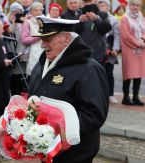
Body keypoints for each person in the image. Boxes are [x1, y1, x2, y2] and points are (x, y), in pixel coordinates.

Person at [29, 16, 108, 163]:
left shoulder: (89, 69)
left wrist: (63, 129)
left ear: (66, 38)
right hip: (46, 149)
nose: (43, 45)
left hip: (75, 153)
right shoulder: (41, 64)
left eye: (48, 39)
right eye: (42, 39)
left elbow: (94, 114)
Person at [119, 0, 145, 106]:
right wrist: (138, 44)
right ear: (129, 5)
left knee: (138, 74)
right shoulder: (125, 18)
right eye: (134, 5)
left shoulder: (142, 17)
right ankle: (126, 97)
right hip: (129, 49)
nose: (136, 7)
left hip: (141, 48)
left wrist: (143, 40)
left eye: (138, 5)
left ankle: (136, 97)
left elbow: (144, 31)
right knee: (128, 74)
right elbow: (125, 36)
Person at [97, 0, 120, 104]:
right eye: (100, 4)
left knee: (109, 73)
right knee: (97, 72)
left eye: (104, 4)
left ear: (109, 7)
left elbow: (116, 35)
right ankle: (98, 95)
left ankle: (110, 94)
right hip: (97, 48)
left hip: (109, 48)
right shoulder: (94, 17)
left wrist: (116, 49)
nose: (102, 6)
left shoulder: (113, 19)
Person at [78, 0, 112, 68]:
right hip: (83, 54)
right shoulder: (79, 14)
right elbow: (75, 32)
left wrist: (96, 19)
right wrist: (80, 22)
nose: (88, 4)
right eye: (86, 2)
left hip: (98, 55)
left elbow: (106, 28)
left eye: (90, 1)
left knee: (99, 76)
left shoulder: (102, 14)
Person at [21, 2, 44, 80]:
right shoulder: (28, 22)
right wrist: (38, 37)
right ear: (31, 11)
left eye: (40, 10)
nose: (38, 12)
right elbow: (24, 40)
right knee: (34, 76)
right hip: (34, 52)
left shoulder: (46, 21)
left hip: (46, 50)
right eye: (36, 10)